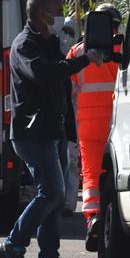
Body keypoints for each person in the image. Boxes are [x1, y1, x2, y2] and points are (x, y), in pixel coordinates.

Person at [0, 0, 104, 258]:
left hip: (51, 131)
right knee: (53, 194)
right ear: (43, 14)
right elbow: (44, 73)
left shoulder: (48, 42)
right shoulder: (25, 45)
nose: (61, 17)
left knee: (53, 200)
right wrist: (83, 60)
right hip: (32, 133)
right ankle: (12, 245)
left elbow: (61, 86)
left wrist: (68, 132)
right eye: (57, 11)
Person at [67, 3, 122, 252]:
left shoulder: (77, 51)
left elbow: (68, 88)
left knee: (90, 173)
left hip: (87, 123)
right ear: (115, 26)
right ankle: (115, 218)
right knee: (117, 171)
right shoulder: (123, 48)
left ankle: (92, 219)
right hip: (118, 121)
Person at [60, 16, 80, 217]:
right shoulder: (53, 54)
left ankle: (68, 203)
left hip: (77, 115)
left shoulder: (77, 55)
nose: (66, 36)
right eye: (64, 31)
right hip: (65, 115)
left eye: (70, 32)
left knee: (72, 161)